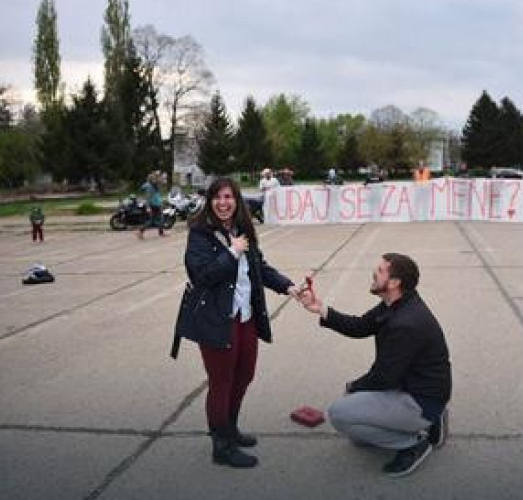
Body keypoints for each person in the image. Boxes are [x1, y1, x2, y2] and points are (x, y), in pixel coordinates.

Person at [182, 177, 301, 469]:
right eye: (217, 198)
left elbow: (259, 267)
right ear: (209, 202)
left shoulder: (243, 231)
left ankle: (231, 428)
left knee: (244, 375)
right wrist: (232, 252)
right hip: (216, 319)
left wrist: (289, 287)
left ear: (237, 201)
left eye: (228, 197)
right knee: (221, 382)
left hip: (245, 316)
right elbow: (202, 277)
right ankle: (221, 446)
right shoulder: (199, 234)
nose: (223, 203)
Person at [298, 253, 451, 478]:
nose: (373, 273)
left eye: (380, 271)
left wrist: (354, 387)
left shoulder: (406, 322)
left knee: (339, 414)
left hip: (420, 398)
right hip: (413, 387)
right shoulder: (396, 304)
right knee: (358, 435)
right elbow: (359, 326)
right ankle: (430, 421)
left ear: (394, 282)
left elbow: (384, 377)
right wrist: (320, 308)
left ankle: (413, 443)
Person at [139, 171, 165, 239]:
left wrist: (158, 175)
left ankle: (142, 231)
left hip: (157, 204)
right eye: (154, 179)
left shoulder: (154, 185)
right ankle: (141, 231)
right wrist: (148, 207)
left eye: (155, 179)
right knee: (156, 220)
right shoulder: (150, 187)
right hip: (154, 205)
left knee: (155, 220)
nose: (156, 180)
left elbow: (161, 181)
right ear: (151, 180)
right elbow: (148, 197)